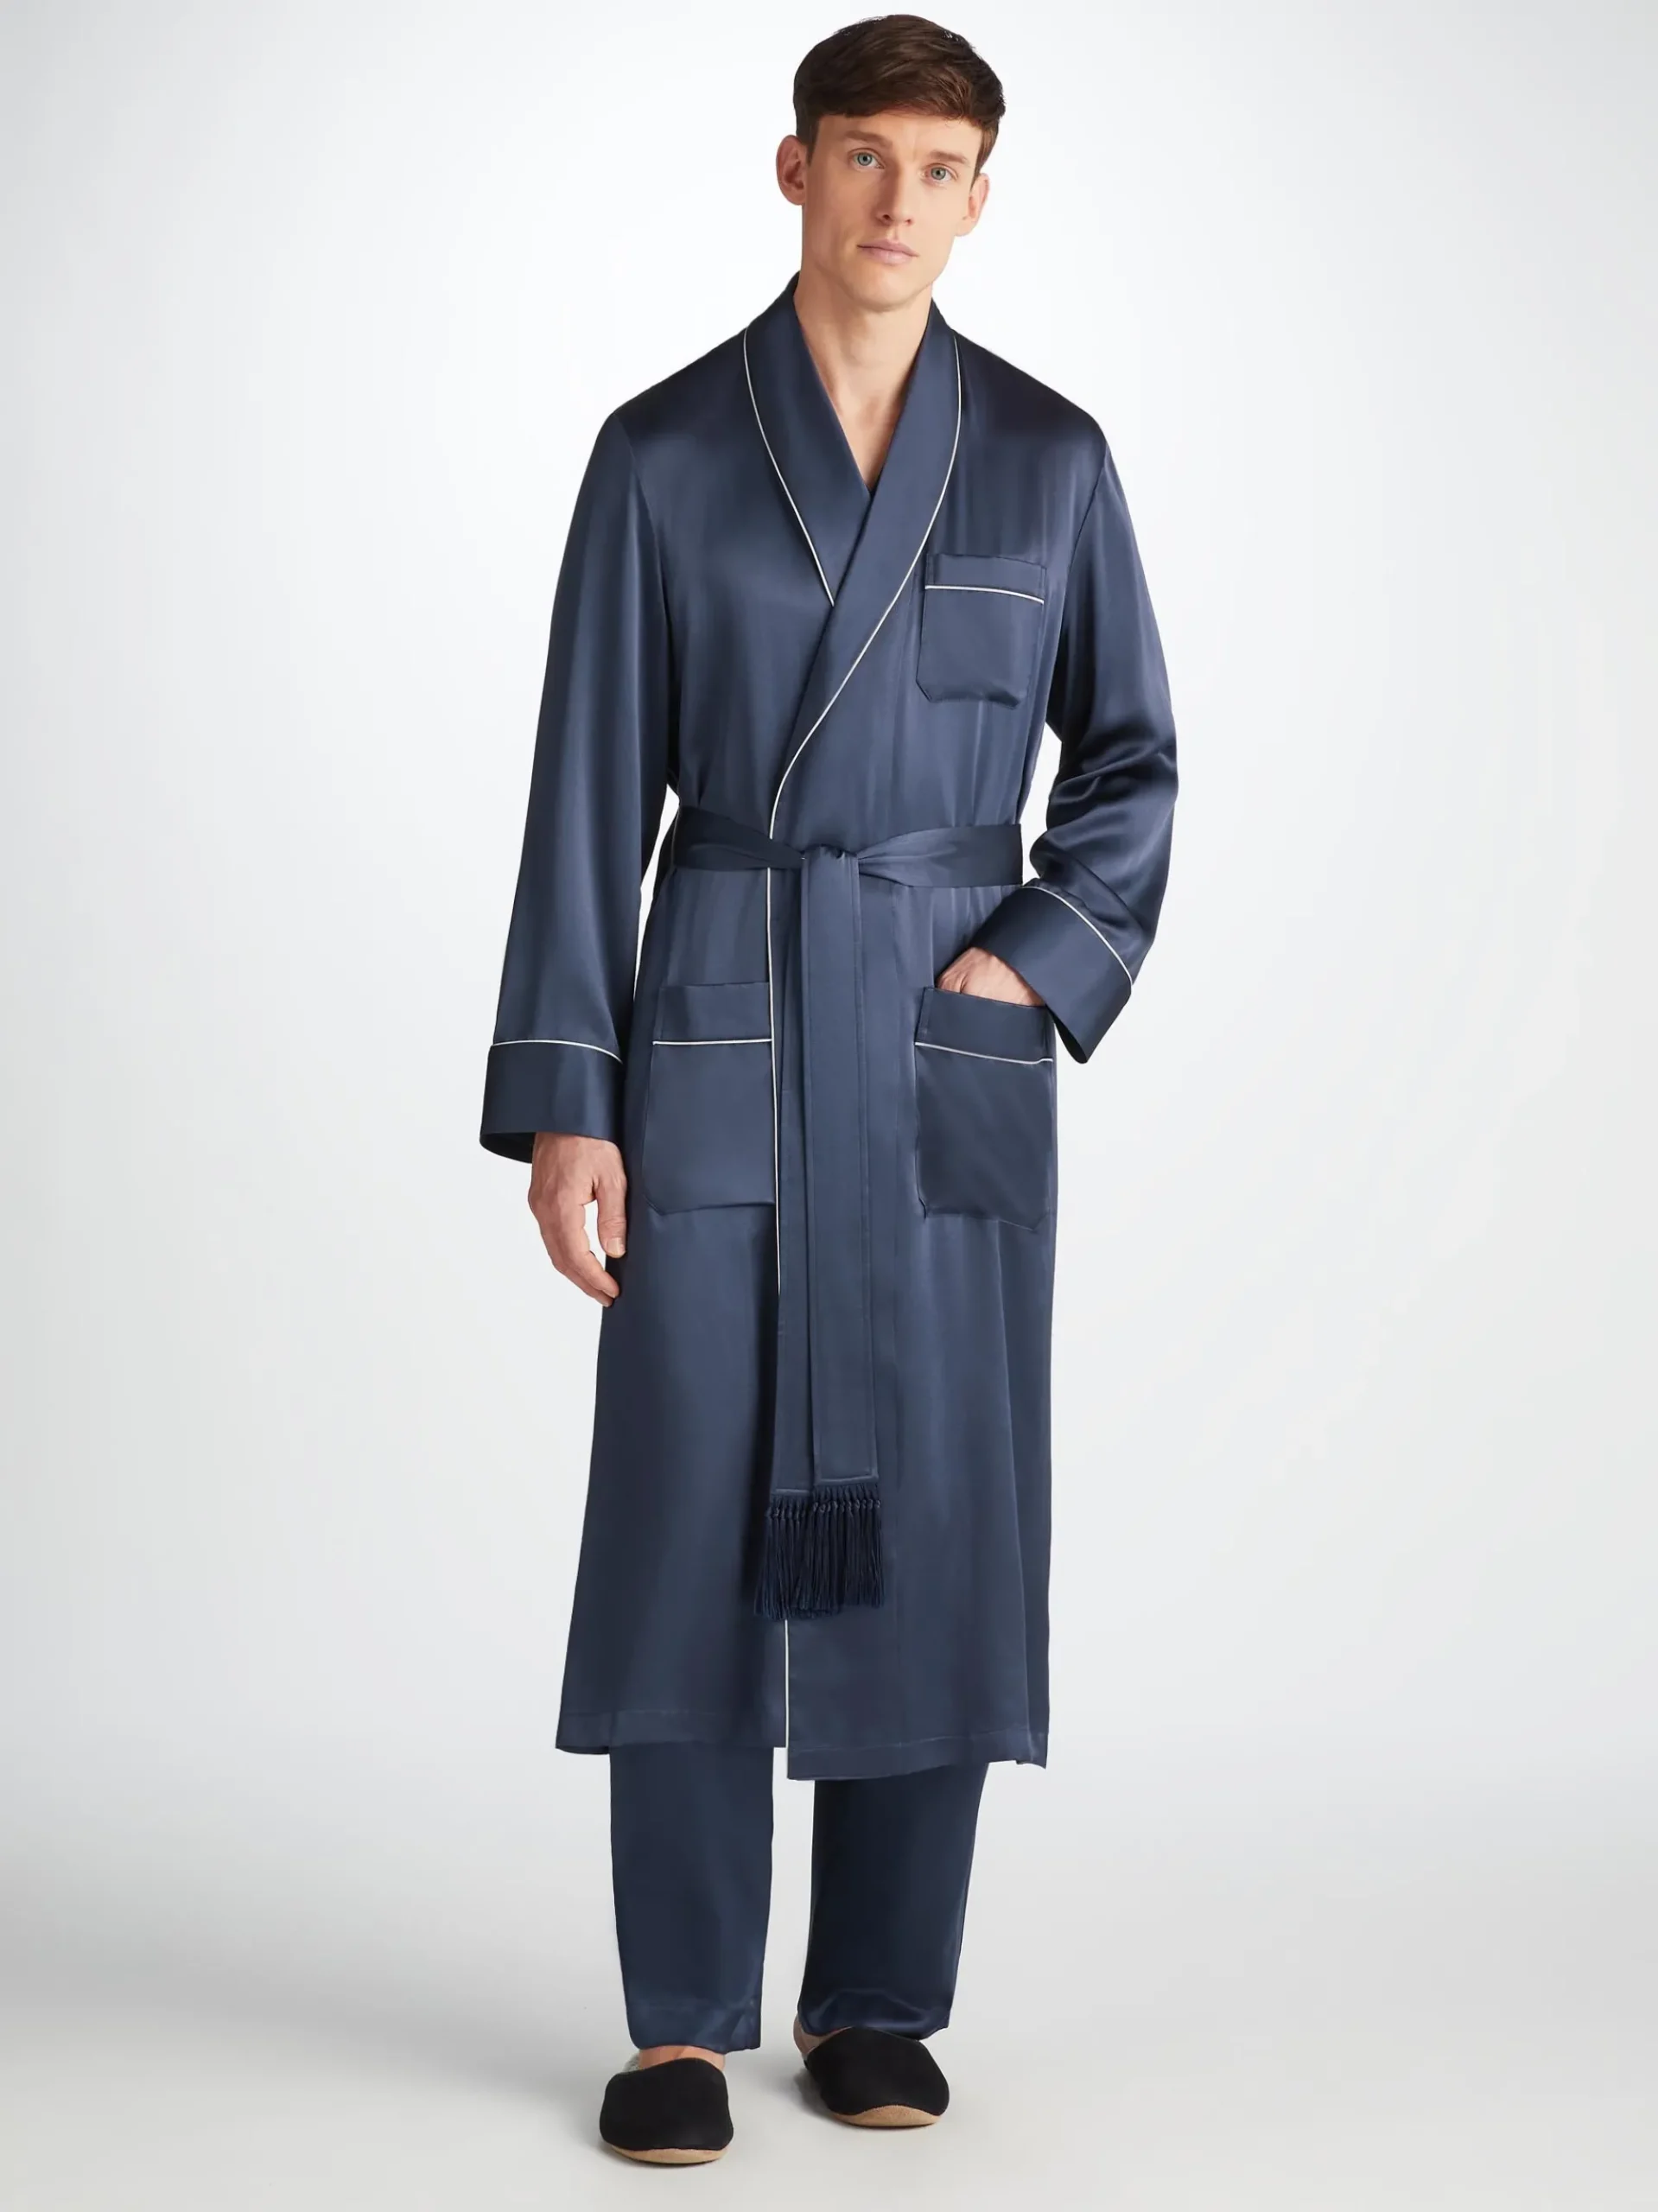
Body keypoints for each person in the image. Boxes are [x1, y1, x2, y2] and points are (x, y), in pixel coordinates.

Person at [480, 12, 1178, 2166]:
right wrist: (569, 1098)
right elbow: (586, 793)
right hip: (719, 1011)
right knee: (689, 1502)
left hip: (941, 1042)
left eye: (936, 166)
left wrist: (1027, 956)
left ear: (981, 194)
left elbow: (1131, 762)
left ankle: (874, 1995)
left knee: (938, 1505)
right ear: (793, 170)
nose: (896, 200)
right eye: (861, 155)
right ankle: (680, 2017)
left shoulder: (1047, 458)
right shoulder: (663, 454)